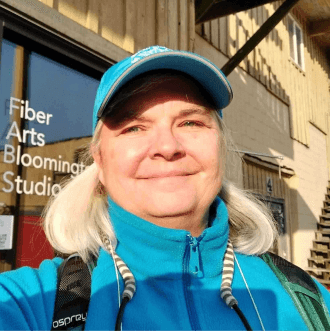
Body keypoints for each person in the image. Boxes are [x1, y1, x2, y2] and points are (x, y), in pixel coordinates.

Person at [0, 46, 330, 331]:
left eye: (190, 122)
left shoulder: (308, 300)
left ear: (220, 147)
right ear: (99, 162)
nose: (167, 146)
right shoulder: (34, 303)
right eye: (133, 128)